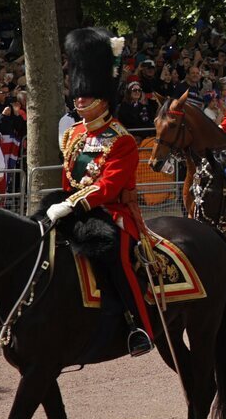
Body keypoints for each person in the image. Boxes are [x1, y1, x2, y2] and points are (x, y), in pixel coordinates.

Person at [44, 27, 154, 357]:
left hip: (112, 213)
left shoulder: (121, 139)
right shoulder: (74, 133)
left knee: (115, 254)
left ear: (103, 97)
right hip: (74, 207)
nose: (78, 99)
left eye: (86, 94)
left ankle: (140, 326)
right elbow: (68, 180)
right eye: (77, 93)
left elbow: (108, 187)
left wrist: (74, 204)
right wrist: (63, 203)